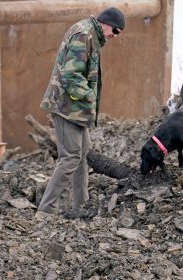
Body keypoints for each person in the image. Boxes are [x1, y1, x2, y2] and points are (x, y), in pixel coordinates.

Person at [35, 7, 125, 219]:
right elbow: (71, 75)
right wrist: (89, 96)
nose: (115, 36)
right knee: (71, 156)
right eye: (115, 30)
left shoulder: (91, 34)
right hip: (66, 107)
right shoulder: (84, 34)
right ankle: (46, 211)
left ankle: (80, 206)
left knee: (82, 154)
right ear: (105, 23)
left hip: (75, 109)